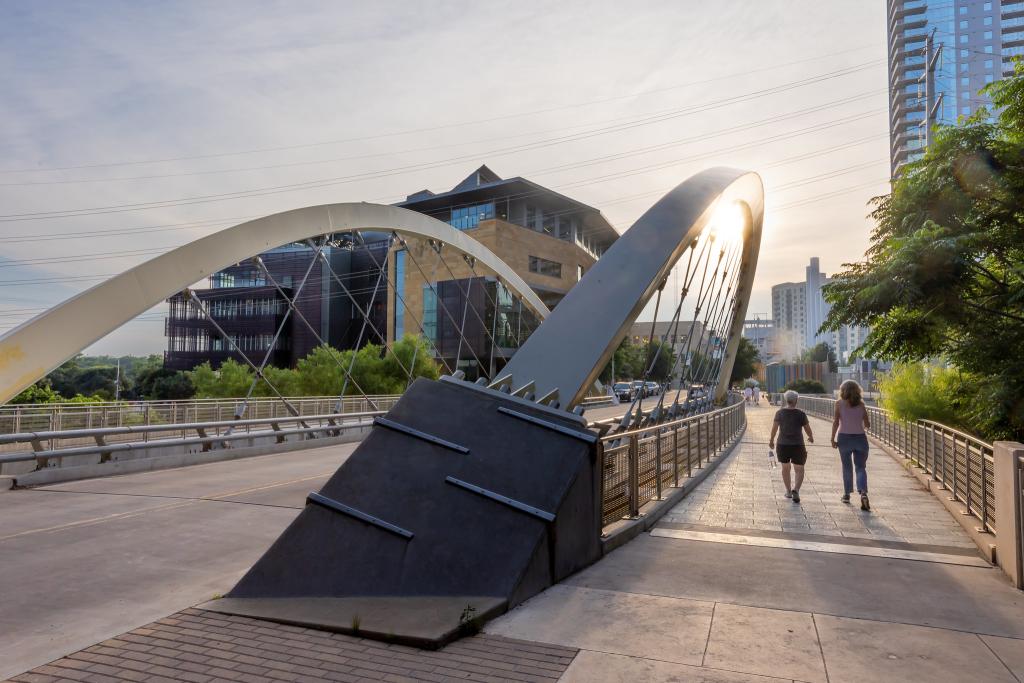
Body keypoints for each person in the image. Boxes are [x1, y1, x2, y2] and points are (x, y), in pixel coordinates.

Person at [831, 380, 872, 511]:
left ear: (843, 390)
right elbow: (867, 424)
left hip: (844, 439)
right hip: (860, 439)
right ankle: (863, 493)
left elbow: (836, 422)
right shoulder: (861, 405)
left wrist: (832, 438)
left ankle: (847, 495)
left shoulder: (838, 404)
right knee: (860, 467)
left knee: (847, 467)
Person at [768, 390, 813, 504]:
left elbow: (774, 428)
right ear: (796, 400)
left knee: (785, 468)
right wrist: (810, 437)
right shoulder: (801, 413)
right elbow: (807, 428)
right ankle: (796, 490)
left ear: (786, 400)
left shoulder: (780, 413)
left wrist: (771, 440)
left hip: (783, 445)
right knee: (799, 469)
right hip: (798, 445)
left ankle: (788, 491)